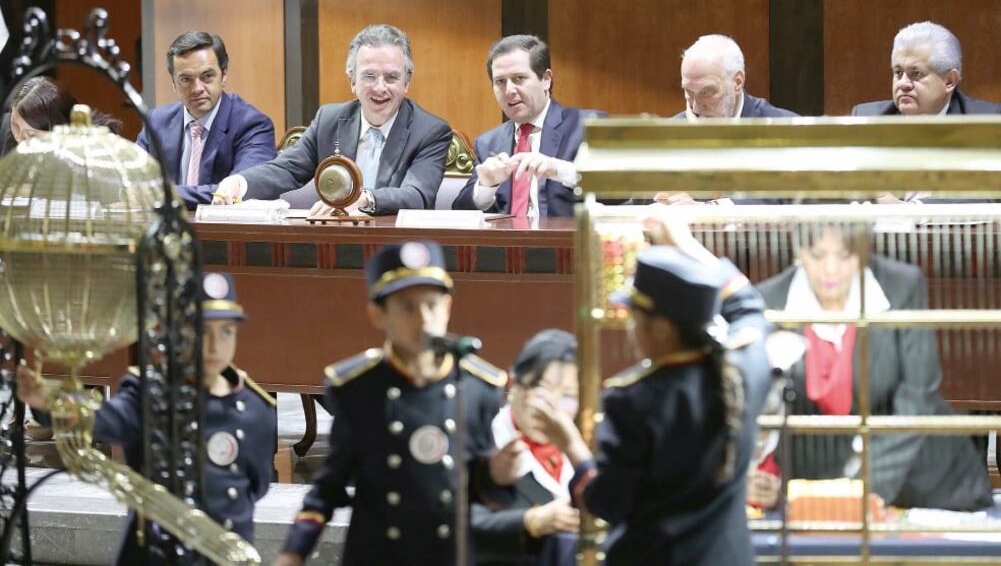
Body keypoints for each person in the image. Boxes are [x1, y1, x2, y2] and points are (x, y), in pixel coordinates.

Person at [529, 215, 773, 566]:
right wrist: (688, 246)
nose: (631, 328)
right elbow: (748, 306)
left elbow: (606, 503)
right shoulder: (743, 370)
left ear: (661, 328)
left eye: (636, 317)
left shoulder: (633, 401)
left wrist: (570, 444)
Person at [274, 240, 524, 566]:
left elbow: (482, 489)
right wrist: (293, 552)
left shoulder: (478, 387)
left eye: (432, 305)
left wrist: (498, 475)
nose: (423, 319)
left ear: (448, 307)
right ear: (377, 314)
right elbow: (329, 486)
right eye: (407, 307)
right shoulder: (358, 389)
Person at [16, 272, 277, 564]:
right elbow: (106, 420)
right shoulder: (151, 393)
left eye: (226, 332)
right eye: (202, 332)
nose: (215, 346)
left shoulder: (256, 409)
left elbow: (257, 485)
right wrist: (51, 401)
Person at [752, 225, 992, 511]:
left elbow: (918, 399)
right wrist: (761, 479)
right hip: (813, 497)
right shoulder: (768, 301)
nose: (831, 269)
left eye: (845, 255)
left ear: (863, 251)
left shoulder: (902, 287)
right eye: (817, 255)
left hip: (925, 488)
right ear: (800, 250)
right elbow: (757, 408)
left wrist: (859, 492)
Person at [214, 24, 452, 217]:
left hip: (399, 248)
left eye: (391, 77)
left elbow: (417, 195)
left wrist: (363, 199)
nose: (380, 88)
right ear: (352, 81)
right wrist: (239, 182)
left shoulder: (430, 131)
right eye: (369, 76)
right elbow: (286, 169)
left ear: (406, 82)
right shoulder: (329, 120)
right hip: (334, 243)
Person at [851, 21, 1001, 203]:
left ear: (949, 81)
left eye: (916, 74)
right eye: (898, 73)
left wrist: (911, 210)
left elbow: (989, 196)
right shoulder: (869, 119)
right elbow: (841, 189)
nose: (903, 84)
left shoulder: (986, 123)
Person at [453, 35, 601, 218]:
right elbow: (459, 212)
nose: (509, 91)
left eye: (519, 78)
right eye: (500, 81)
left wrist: (559, 170)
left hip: (567, 236)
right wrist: (486, 187)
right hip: (505, 237)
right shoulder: (488, 143)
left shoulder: (587, 127)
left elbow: (621, 195)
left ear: (546, 79)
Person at [472, 328, 581, 566]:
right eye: (541, 388)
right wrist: (531, 521)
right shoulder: (484, 440)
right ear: (514, 383)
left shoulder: (586, 451)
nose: (552, 407)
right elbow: (459, 528)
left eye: (569, 396)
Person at [137, 31, 277, 207]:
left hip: (224, 225)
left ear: (223, 76)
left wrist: (160, 194)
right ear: (173, 83)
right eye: (186, 79)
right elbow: (132, 183)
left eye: (207, 76)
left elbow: (239, 191)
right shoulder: (156, 122)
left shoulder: (252, 125)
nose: (197, 88)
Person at [662, 34, 796, 205]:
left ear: (737, 82)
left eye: (707, 92)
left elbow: (784, 201)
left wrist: (706, 211)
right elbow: (636, 206)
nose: (696, 108)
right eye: (688, 92)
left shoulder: (785, 131)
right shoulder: (667, 136)